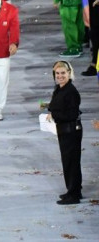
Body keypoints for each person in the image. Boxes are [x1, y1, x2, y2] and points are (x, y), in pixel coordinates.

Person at [47, 61, 83, 205]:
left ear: (69, 73)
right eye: (57, 73)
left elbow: (72, 114)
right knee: (68, 162)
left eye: (63, 73)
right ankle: (73, 190)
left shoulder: (71, 91)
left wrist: (54, 115)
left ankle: (74, 194)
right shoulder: (59, 89)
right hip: (64, 130)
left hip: (71, 131)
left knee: (72, 162)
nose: (60, 76)